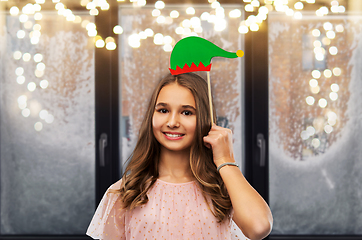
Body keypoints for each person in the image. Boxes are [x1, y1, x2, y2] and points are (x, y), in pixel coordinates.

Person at [86, 73, 273, 240]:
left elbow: (259, 228)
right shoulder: (126, 191)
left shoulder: (224, 190)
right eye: (163, 110)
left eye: (186, 112)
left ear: (205, 120)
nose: (172, 122)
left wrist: (225, 160)